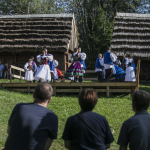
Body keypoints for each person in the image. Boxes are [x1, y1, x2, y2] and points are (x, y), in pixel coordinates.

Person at [3, 83, 58, 150]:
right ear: (50, 99)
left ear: (33, 94)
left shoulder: (19, 107)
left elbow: (9, 131)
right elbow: (47, 144)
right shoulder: (52, 117)